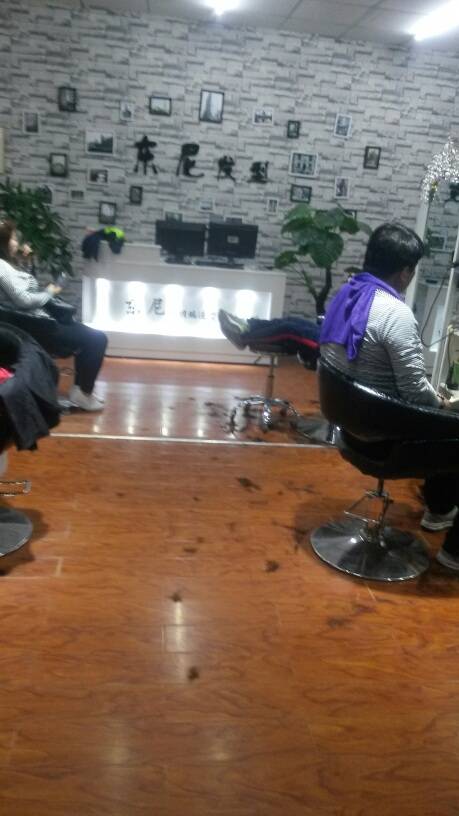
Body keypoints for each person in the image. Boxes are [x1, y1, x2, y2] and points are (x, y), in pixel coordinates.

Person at [320, 221, 459, 570]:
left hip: (348, 426)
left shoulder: (346, 295)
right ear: (405, 272)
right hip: (385, 439)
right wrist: (443, 404)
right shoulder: (395, 313)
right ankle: (454, 550)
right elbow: (414, 392)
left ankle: (440, 510)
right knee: (448, 419)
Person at [0, 220, 107, 411]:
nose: (17, 242)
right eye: (13, 238)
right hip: (37, 327)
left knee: (89, 335)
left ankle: (81, 391)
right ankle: (82, 393)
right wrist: (51, 291)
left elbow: (24, 287)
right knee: (97, 339)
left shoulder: (7, 265)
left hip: (34, 322)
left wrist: (27, 262)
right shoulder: (1, 267)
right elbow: (24, 300)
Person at [218, 309, 320, 369]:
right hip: (323, 333)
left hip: (321, 345)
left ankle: (243, 337)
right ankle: (248, 325)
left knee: (288, 328)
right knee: (291, 319)